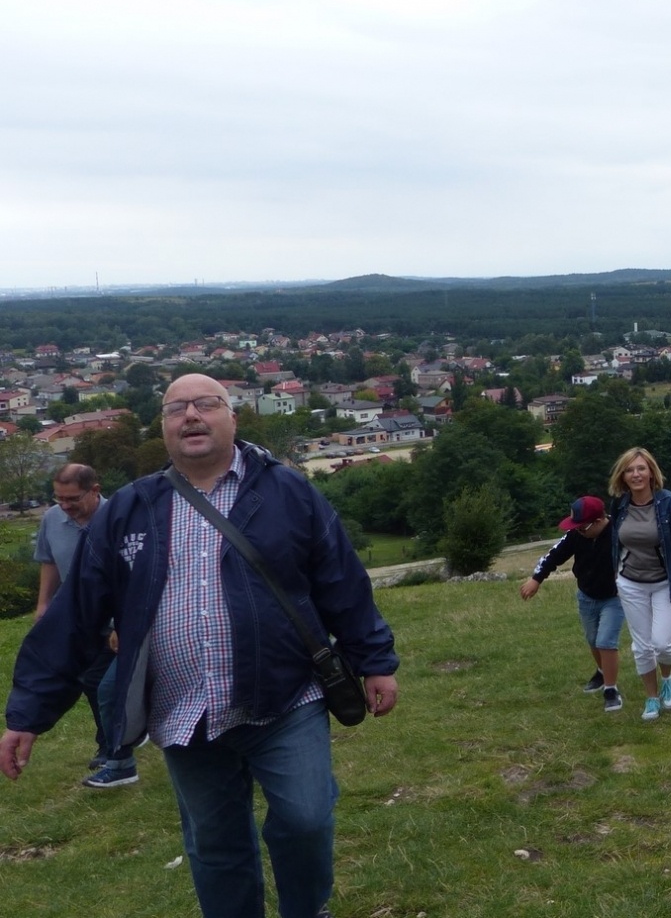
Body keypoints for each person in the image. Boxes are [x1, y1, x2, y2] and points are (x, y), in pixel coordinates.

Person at [3, 374, 399, 918]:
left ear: (232, 417)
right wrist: (28, 713)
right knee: (216, 847)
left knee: (307, 819)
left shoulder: (285, 491)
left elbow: (341, 582)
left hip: (286, 699)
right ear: (164, 428)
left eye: (206, 404)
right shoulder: (131, 510)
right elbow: (75, 618)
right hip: (184, 712)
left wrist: (374, 660)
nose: (191, 415)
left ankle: (307, 909)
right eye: (176, 409)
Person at [32, 463, 141, 788]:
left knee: (103, 684)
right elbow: (49, 560)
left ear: (95, 490)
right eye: (59, 498)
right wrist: (43, 604)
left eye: (73, 499)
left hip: (119, 621)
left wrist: (125, 624)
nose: (65, 505)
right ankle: (109, 742)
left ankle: (120, 752)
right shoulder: (53, 518)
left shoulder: (119, 519)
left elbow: (137, 575)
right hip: (81, 618)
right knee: (89, 682)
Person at [608, 447, 671, 722]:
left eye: (641, 468)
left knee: (662, 643)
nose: (636, 474)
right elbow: (614, 541)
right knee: (642, 647)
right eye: (630, 470)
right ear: (623, 476)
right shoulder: (620, 504)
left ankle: (668, 676)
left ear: (651, 472)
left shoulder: (668, 502)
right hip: (630, 583)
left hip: (665, 583)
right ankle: (651, 696)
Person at [521, 496, 624, 712]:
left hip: (614, 598)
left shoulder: (619, 531)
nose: (578, 531)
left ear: (598, 521)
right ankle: (602, 671)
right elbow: (553, 555)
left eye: (583, 527)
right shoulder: (576, 535)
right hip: (586, 596)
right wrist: (536, 579)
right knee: (593, 639)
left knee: (606, 641)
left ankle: (611, 690)